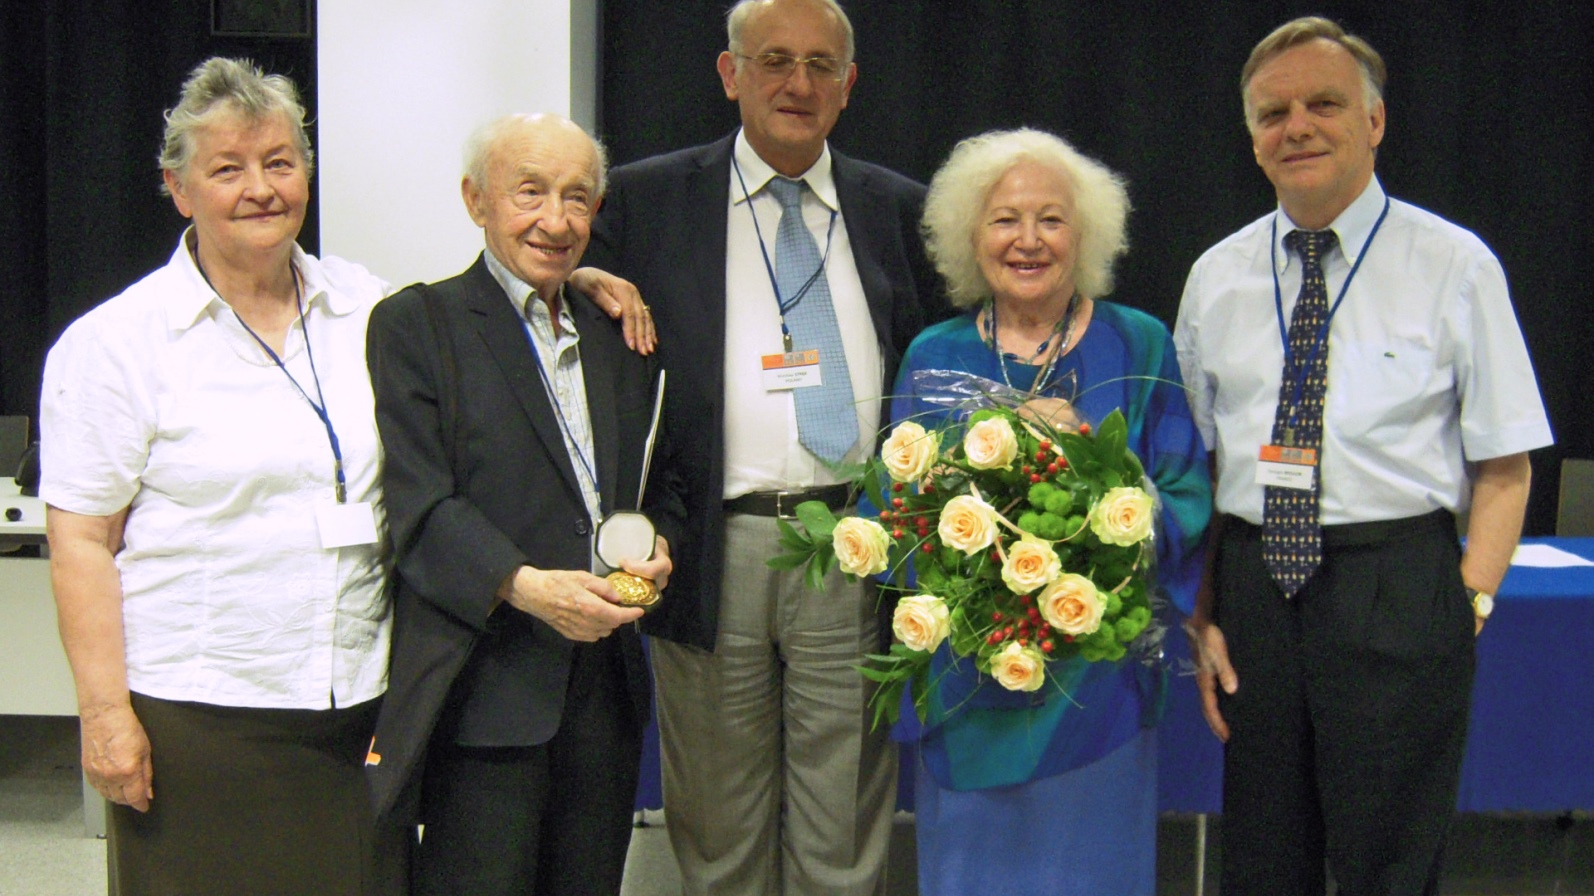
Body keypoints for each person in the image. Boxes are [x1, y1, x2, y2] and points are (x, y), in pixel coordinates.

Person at [1174, 16, 1553, 895]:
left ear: (1374, 122)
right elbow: (1194, 460)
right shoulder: (1217, 275)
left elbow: (1506, 464)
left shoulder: (1456, 265)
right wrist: (1205, 613)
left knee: (1390, 863)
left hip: (1399, 584)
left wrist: (1469, 604)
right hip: (1257, 589)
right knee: (1264, 860)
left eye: (1323, 104)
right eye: (1273, 113)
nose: (1296, 126)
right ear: (1251, 137)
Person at [583, 0, 945, 891]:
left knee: (845, 826)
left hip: (854, 547)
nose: (798, 83)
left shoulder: (899, 209)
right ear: (728, 73)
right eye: (774, 59)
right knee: (716, 828)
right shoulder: (643, 199)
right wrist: (583, 272)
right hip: (709, 545)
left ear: (849, 85)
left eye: (822, 65)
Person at [39, 57, 390, 895]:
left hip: (356, 710)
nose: (260, 187)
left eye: (279, 161)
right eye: (227, 168)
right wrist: (104, 716)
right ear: (178, 188)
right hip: (197, 715)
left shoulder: (371, 308)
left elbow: (481, 329)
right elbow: (81, 542)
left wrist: (574, 285)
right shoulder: (116, 343)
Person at [363, 113, 685, 896]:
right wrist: (529, 589)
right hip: (486, 686)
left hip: (605, 695)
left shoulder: (620, 330)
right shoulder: (418, 325)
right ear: (477, 201)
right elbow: (423, 507)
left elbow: (662, 476)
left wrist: (662, 549)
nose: (555, 220)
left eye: (577, 199)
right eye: (529, 192)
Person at [891, 128, 1212, 895]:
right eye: (1005, 219)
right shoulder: (932, 355)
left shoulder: (1140, 344)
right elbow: (896, 516)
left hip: (1097, 693)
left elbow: (1189, 494)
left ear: (1087, 234)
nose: (1028, 240)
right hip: (972, 691)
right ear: (971, 236)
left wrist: (1099, 480)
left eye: (1052, 220)